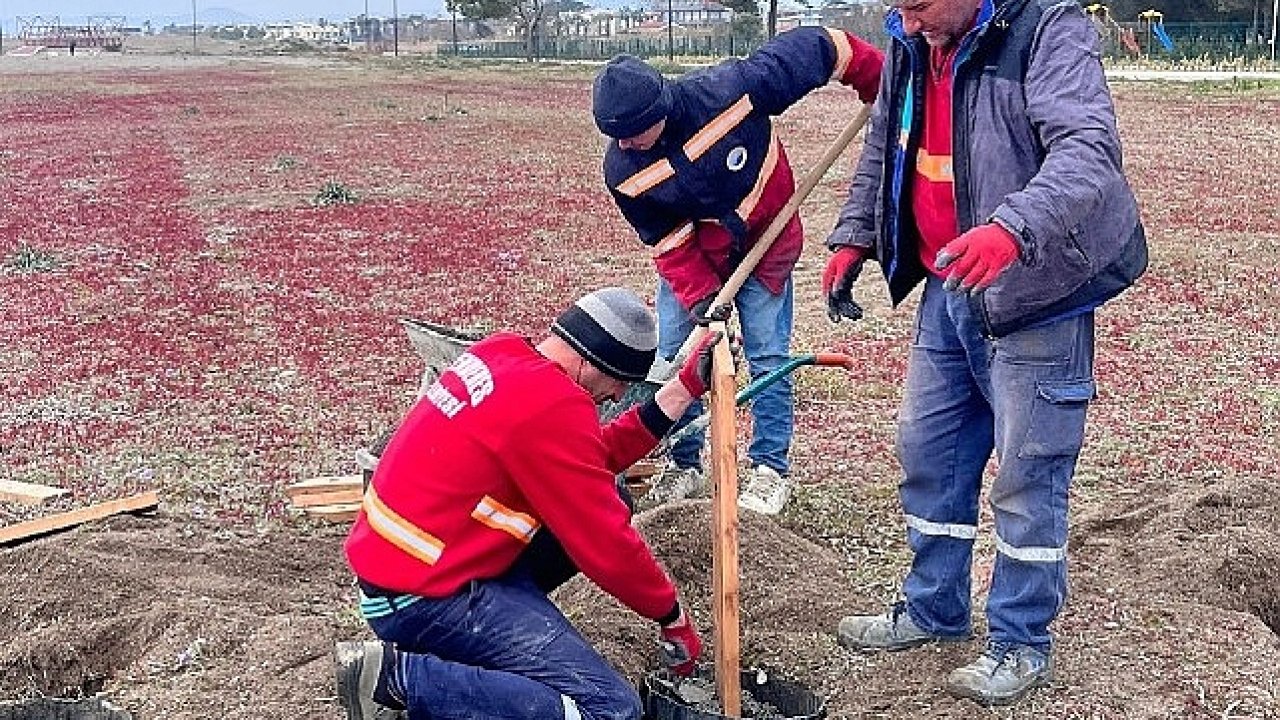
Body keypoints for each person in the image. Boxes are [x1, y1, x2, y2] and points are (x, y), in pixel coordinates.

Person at [822, 0, 1148, 707]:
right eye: (899, 8)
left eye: (919, 6)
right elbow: (887, 142)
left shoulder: (1046, 30)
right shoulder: (918, 38)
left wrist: (1011, 229)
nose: (905, 25)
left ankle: (1020, 640)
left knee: (1029, 471)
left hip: (1036, 290)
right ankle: (934, 606)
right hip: (950, 282)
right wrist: (856, 235)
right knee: (929, 448)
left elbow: (1088, 150)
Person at [335, 287, 723, 720]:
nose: (617, 397)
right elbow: (606, 543)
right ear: (591, 362)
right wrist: (671, 615)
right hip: (421, 597)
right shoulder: (551, 405)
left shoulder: (505, 355)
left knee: (611, 491)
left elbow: (585, 460)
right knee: (610, 710)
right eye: (619, 382)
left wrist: (683, 389)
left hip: (410, 565)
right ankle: (398, 679)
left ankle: (460, 656)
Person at [592, 27, 884, 516]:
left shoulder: (730, 92)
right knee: (678, 358)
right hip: (696, 260)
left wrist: (879, 80)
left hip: (766, 246)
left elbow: (821, 48)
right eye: (614, 135)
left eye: (631, 131)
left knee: (768, 356)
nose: (625, 142)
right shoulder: (624, 170)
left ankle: (770, 470)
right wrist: (703, 298)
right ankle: (686, 466)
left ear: (658, 109)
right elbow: (666, 240)